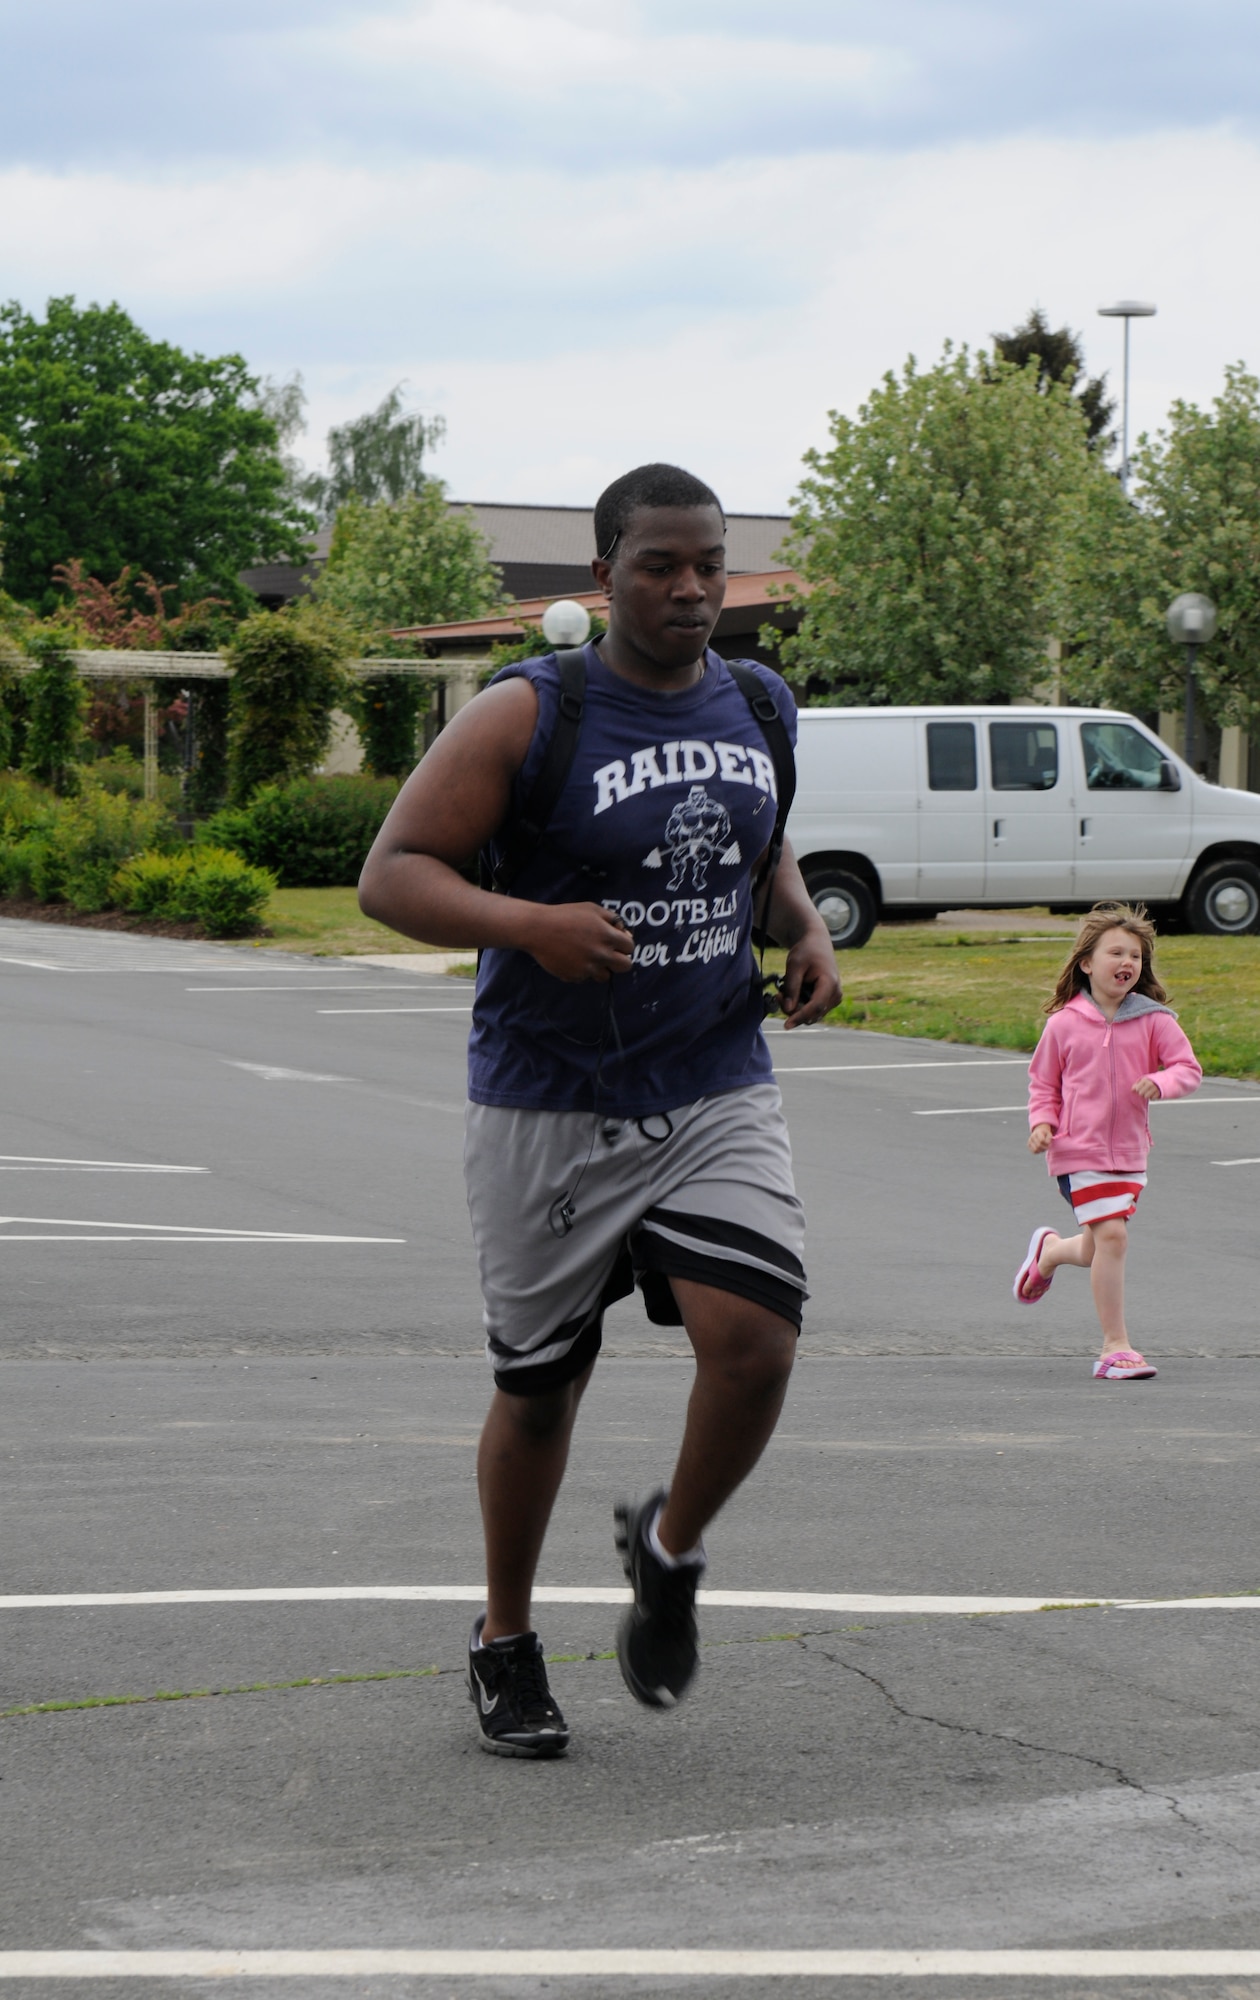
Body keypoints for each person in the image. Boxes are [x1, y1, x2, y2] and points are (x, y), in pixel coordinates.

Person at [359, 462, 840, 1757]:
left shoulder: (758, 700)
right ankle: (504, 1639)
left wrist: (799, 926)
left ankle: (670, 1551)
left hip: (709, 1079)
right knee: (540, 1388)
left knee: (760, 1346)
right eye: (658, 567)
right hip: (549, 1105)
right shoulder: (534, 713)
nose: (689, 590)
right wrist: (531, 924)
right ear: (603, 577)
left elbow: (761, 839)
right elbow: (390, 874)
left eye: (708, 566)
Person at [1012, 903, 1202, 1380]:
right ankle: (1115, 1347)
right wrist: (1042, 1123)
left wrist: (1162, 1083)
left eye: (1135, 956)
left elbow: (1188, 1069)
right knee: (1114, 1236)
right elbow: (1043, 1084)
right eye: (1116, 952)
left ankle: (1051, 1252)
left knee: (1099, 1247)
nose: (1128, 963)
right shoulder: (1064, 1024)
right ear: (1086, 964)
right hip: (1077, 1152)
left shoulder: (1155, 1020)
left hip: (1131, 1154)